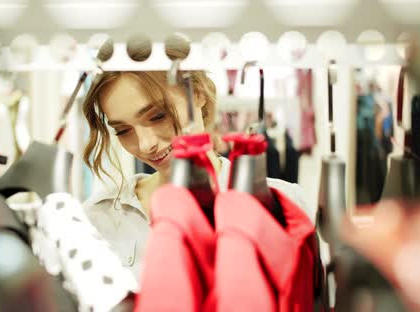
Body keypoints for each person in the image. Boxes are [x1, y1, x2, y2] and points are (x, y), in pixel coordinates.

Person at [81, 43, 312, 281]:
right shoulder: (98, 217)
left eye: (158, 115)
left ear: (198, 93)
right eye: (122, 130)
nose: (144, 145)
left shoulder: (284, 206)